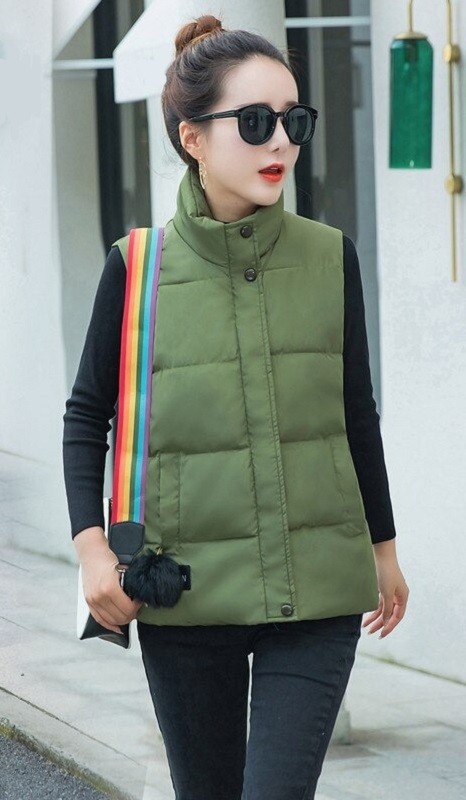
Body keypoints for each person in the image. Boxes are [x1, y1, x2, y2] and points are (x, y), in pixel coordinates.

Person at [62, 14, 409, 800]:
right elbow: (87, 417)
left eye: (294, 121)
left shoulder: (330, 257)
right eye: (255, 122)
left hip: (317, 595)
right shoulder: (136, 269)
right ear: (192, 137)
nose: (280, 141)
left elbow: (356, 413)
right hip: (187, 602)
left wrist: (383, 550)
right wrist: (91, 551)